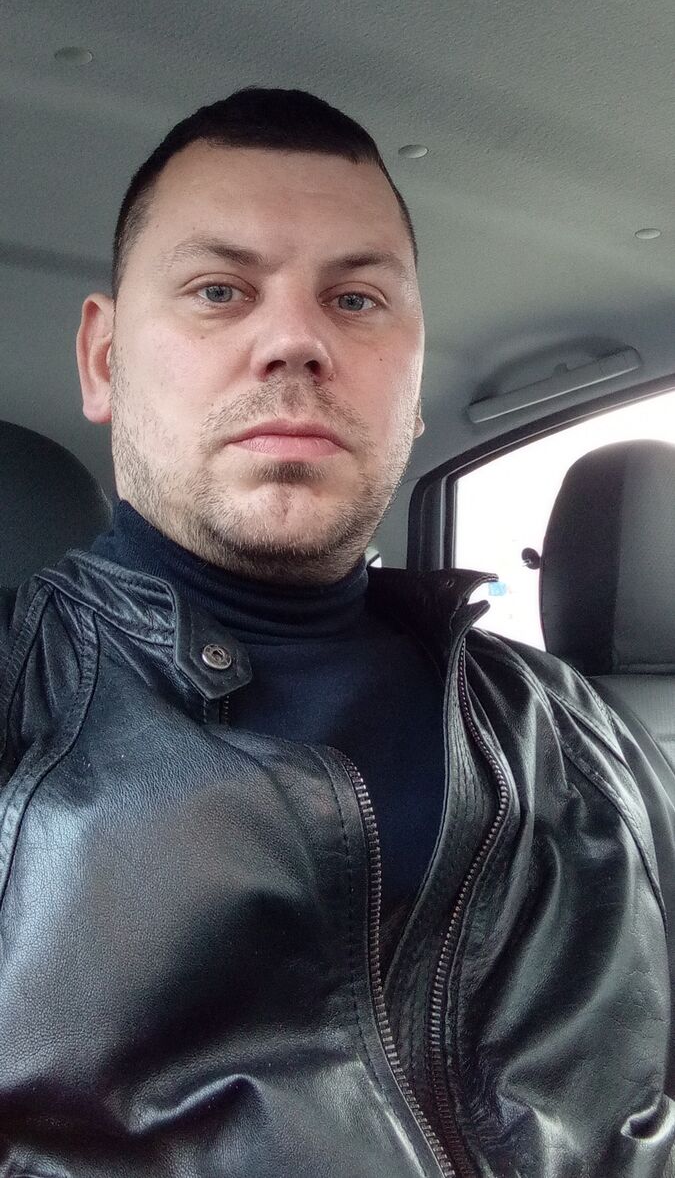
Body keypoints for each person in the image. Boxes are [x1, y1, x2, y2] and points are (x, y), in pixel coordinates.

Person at [0, 87, 673, 1178]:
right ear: (103, 359)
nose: (295, 341)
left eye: (356, 300)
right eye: (220, 291)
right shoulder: (19, 705)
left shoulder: (580, 735)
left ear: (413, 384)